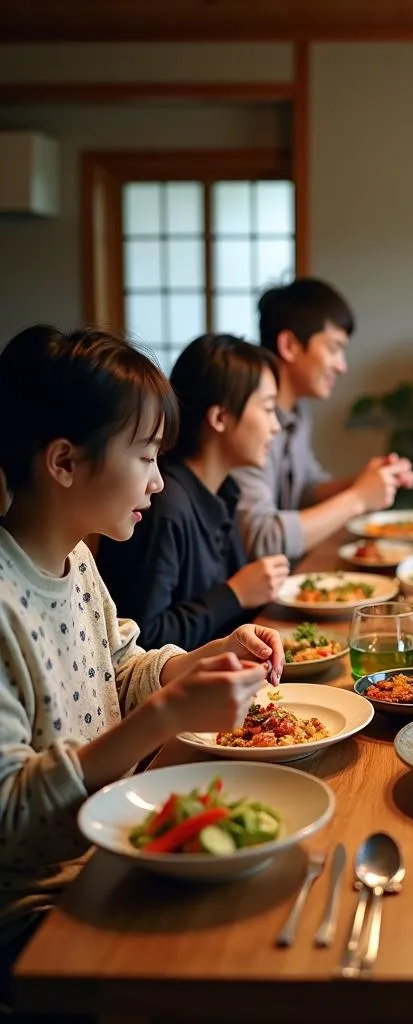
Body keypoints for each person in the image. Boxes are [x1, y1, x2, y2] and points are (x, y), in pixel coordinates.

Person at [0, 325, 283, 969]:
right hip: (38, 913)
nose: (159, 484)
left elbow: (120, 666)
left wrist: (202, 657)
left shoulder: (75, 559)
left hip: (117, 845)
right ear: (65, 462)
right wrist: (165, 716)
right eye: (147, 457)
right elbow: (13, 817)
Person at [97, 334, 290, 649]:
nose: (276, 425)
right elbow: (143, 639)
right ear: (219, 417)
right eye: (268, 409)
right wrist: (235, 593)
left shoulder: (224, 490)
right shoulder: (163, 504)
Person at [233, 278, 413, 560]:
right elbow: (262, 538)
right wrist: (358, 498)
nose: (342, 366)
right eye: (334, 348)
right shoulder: (245, 419)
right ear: (290, 345)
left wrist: (365, 481)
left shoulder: (298, 411)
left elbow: (305, 490)